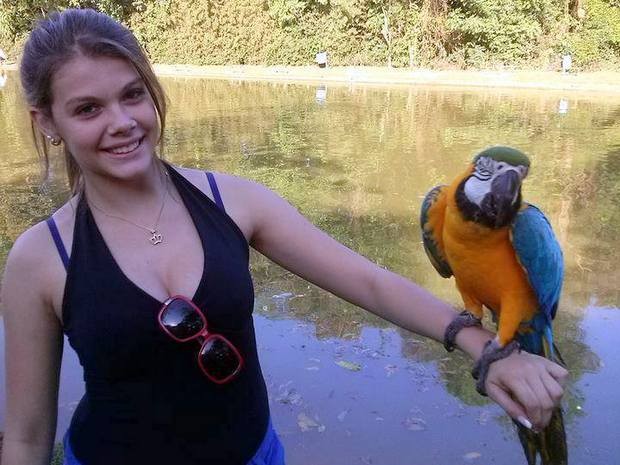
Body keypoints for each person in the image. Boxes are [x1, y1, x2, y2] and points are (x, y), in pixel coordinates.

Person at [1, 9, 568, 465]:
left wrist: (486, 351)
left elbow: (368, 281)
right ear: (48, 123)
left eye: (132, 95)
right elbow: (26, 438)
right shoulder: (38, 260)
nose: (121, 121)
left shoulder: (233, 201)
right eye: (87, 109)